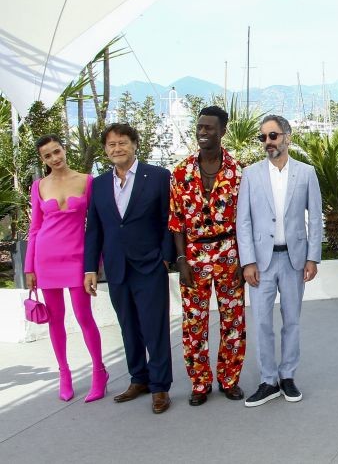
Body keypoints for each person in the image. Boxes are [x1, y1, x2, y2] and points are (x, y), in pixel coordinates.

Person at [84, 123, 174, 414]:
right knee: (128, 326)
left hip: (150, 264)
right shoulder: (97, 185)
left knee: (154, 327)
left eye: (122, 142)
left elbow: (167, 222)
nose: (117, 149)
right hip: (116, 267)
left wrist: (165, 257)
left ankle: (160, 387)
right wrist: (90, 269)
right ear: (106, 150)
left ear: (135, 144)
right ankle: (139, 378)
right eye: (111, 145)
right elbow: (94, 229)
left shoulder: (158, 177)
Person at [236, 115, 323, 407]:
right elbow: (243, 221)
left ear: (287, 136)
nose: (268, 142)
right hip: (261, 261)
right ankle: (267, 380)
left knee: (292, 321)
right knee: (261, 322)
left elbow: (316, 219)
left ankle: (288, 376)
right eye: (262, 138)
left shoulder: (306, 173)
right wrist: (247, 261)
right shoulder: (250, 174)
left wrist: (313, 257)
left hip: (294, 259)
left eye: (272, 136)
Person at [168, 105, 245, 406]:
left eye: (209, 128)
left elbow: (246, 221)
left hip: (229, 254)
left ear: (222, 131)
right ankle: (200, 383)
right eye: (199, 127)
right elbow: (175, 221)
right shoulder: (180, 172)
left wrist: (244, 260)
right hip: (194, 254)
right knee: (194, 323)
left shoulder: (239, 172)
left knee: (233, 321)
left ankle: (230, 379)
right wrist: (181, 260)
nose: (202, 132)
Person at [26, 134, 106, 402]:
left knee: (84, 318)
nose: (54, 158)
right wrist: (29, 268)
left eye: (57, 151)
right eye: (47, 156)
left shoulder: (86, 181)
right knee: (55, 320)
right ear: (43, 159)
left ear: (64, 149)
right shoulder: (39, 185)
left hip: (77, 257)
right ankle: (64, 374)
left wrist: (95, 264)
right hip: (45, 259)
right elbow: (35, 228)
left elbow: (96, 225)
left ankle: (99, 372)